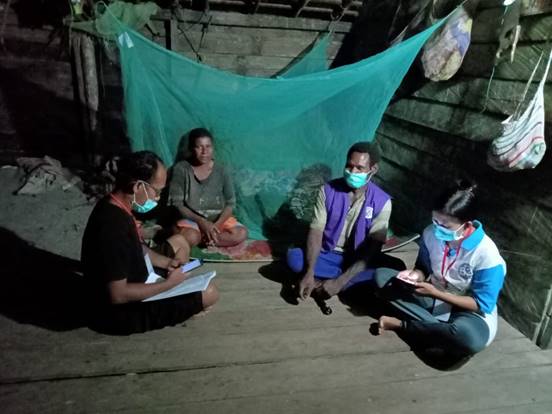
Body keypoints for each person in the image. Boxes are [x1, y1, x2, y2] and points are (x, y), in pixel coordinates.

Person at [81, 151, 219, 334]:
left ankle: (177, 293)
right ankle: (177, 303)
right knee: (209, 293)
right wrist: (169, 285)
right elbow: (117, 295)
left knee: (179, 241)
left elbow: (137, 248)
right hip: (118, 313)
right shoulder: (112, 226)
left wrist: (168, 263)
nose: (157, 197)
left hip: (140, 277)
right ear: (138, 186)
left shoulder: (116, 205)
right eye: (157, 191)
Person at [375, 179, 506, 358]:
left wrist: (435, 293)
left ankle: (401, 325)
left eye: (445, 226)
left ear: (467, 225)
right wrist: (414, 275)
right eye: (435, 221)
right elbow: (423, 267)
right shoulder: (430, 233)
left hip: (468, 313)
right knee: (382, 276)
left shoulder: (487, 255)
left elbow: (481, 304)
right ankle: (436, 331)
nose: (438, 229)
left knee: (468, 339)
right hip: (433, 297)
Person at [287, 141, 405, 301]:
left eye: (359, 168)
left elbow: (373, 248)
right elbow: (316, 232)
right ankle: (341, 284)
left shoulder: (382, 201)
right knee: (295, 258)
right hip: (328, 254)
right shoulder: (328, 190)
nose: (352, 172)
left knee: (396, 268)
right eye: (349, 166)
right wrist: (309, 271)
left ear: (373, 169)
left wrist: (339, 282)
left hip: (357, 259)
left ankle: (328, 282)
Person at [168, 128, 248, 248]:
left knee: (241, 233)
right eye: (199, 147)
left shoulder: (222, 170)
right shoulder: (181, 169)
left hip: (217, 220)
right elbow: (177, 204)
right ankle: (205, 238)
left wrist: (216, 226)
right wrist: (201, 222)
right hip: (192, 220)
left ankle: (207, 238)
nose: (204, 152)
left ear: (213, 148)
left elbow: (230, 204)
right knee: (190, 236)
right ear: (191, 149)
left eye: (208, 146)